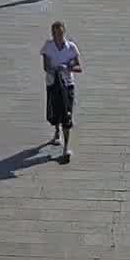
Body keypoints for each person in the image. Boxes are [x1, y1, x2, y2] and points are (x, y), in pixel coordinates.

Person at [40, 20, 82, 163]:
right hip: (52, 83)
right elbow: (45, 66)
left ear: (64, 32)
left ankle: (66, 148)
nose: (57, 35)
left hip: (67, 85)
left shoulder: (71, 47)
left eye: (59, 32)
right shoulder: (48, 46)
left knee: (66, 115)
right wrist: (54, 70)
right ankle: (57, 132)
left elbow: (78, 67)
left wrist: (67, 68)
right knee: (55, 112)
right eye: (54, 32)